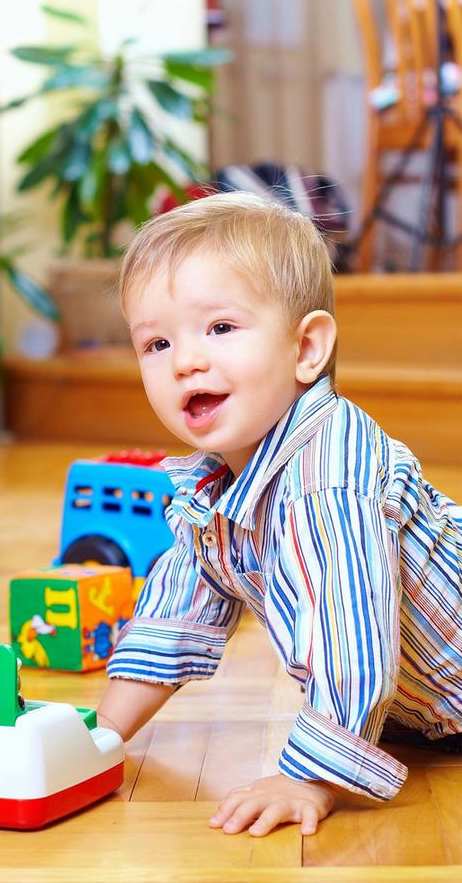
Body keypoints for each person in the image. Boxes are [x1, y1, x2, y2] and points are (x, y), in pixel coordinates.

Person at [97, 191, 462, 838]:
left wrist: (311, 778)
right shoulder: (215, 487)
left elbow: (351, 638)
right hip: (427, 712)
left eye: (220, 328)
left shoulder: (327, 481)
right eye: (156, 342)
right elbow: (175, 615)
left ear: (306, 348)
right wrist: (101, 734)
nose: (185, 360)